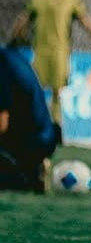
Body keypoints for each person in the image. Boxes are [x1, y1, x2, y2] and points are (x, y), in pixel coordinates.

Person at [0, 42, 60, 193]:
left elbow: (2, 124)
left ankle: (24, 176)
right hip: (43, 137)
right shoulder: (10, 55)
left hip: (30, 143)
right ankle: (31, 170)